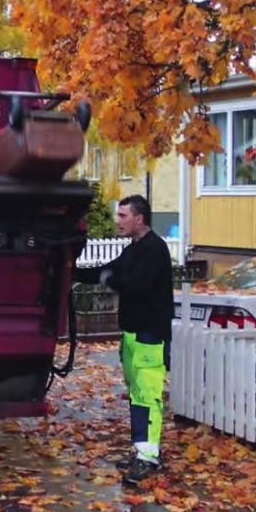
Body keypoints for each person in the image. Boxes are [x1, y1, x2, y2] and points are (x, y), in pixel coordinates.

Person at [80, 195, 173, 484]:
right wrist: (71, 272)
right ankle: (141, 450)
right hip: (132, 332)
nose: (117, 221)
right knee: (136, 395)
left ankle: (148, 457)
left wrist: (109, 279)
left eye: (122, 216)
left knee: (149, 395)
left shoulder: (155, 250)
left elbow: (135, 285)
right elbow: (108, 270)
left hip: (150, 333)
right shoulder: (134, 249)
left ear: (139, 219)